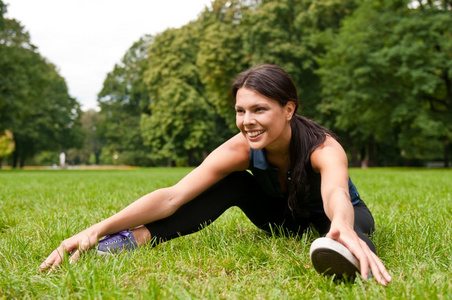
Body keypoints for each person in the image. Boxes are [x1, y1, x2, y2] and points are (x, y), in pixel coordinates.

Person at [40, 64, 392, 286]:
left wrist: (342, 224)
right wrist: (95, 230)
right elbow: (172, 196)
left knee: (349, 233)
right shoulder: (240, 147)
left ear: (288, 109)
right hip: (281, 218)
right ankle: (137, 238)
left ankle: (344, 250)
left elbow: (335, 194)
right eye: (240, 110)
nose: (247, 121)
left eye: (259, 109)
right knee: (237, 182)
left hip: (334, 217)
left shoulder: (323, 147)